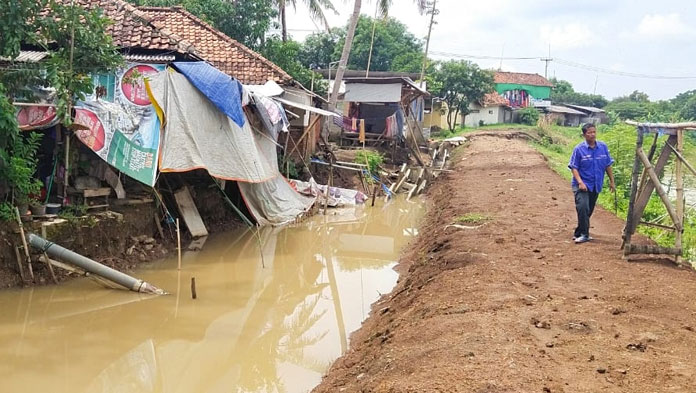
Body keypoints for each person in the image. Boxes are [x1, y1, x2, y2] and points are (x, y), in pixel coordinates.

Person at [568, 123, 615, 244]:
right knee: (583, 207)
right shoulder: (579, 149)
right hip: (581, 185)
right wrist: (580, 182)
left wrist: (611, 181)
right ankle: (584, 234)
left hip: (596, 184)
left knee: (589, 210)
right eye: (589, 133)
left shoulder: (603, 147)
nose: (592, 135)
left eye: (594, 132)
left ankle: (578, 232)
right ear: (584, 135)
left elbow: (607, 165)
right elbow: (574, 167)